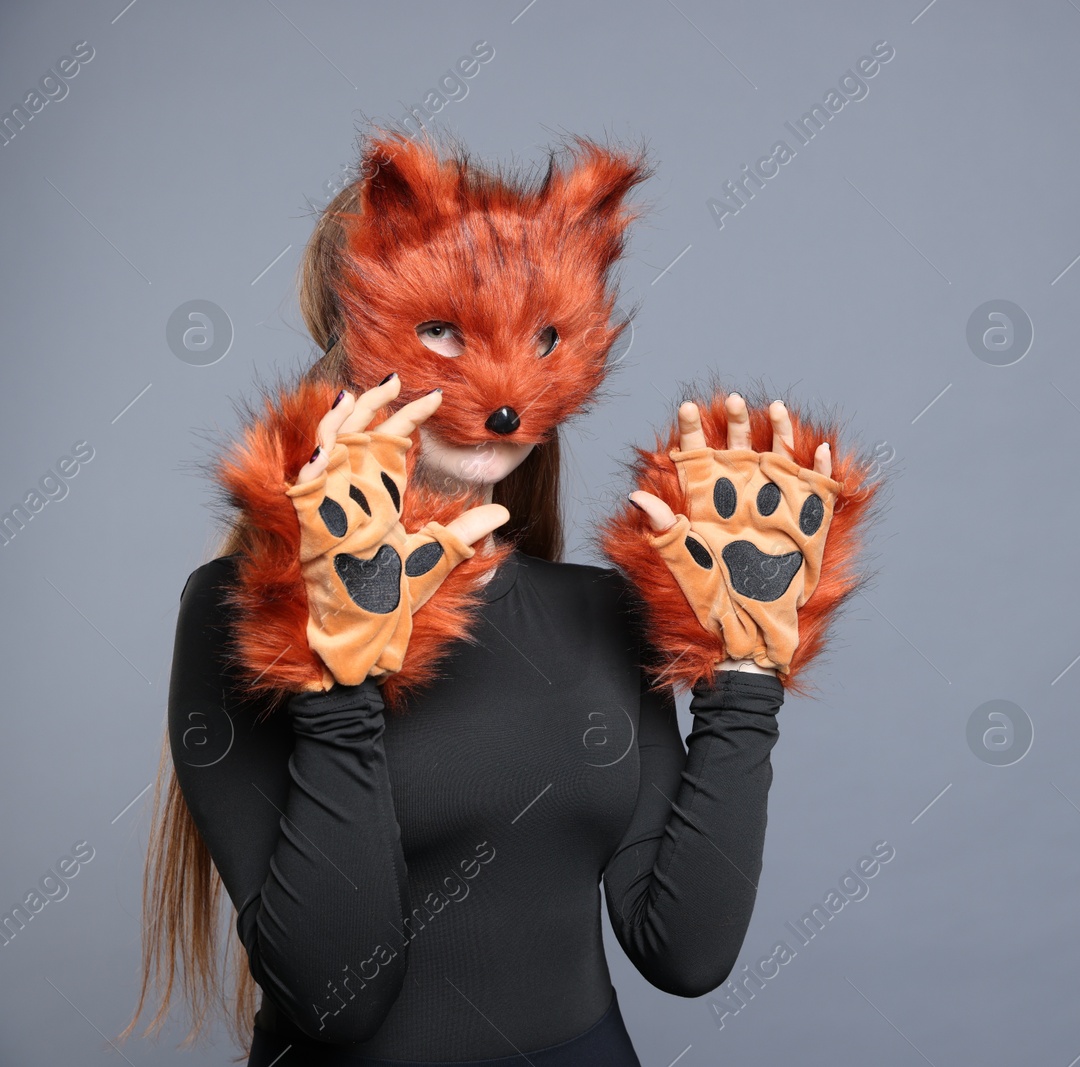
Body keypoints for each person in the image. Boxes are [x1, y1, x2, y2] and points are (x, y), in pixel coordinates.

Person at [116, 132, 874, 1066]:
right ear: (363, 334)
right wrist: (337, 682)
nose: (500, 392)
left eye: (539, 337)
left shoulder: (600, 611)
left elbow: (685, 950)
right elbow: (335, 997)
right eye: (443, 331)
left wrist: (744, 676)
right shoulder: (237, 608)